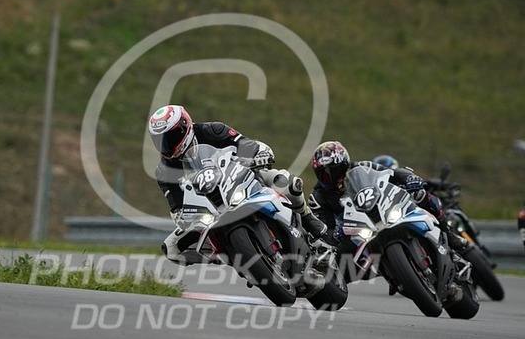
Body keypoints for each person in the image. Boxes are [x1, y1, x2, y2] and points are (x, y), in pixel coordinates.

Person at [148, 104, 328, 264]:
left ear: (184, 127)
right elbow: (177, 206)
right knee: (171, 249)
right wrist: (186, 218)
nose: (166, 144)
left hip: (239, 177)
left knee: (286, 181)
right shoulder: (164, 171)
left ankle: (306, 216)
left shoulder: (212, 130)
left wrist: (257, 156)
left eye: (170, 137)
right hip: (210, 208)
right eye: (160, 140)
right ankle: (228, 256)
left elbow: (245, 144)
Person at [308, 141, 469, 283]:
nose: (329, 178)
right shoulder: (318, 197)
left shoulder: (362, 167)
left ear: (343, 164)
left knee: (422, 195)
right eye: (323, 174)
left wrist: (410, 178)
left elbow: (392, 173)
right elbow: (323, 229)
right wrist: (335, 234)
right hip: (354, 232)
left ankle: (449, 234)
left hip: (383, 210)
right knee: (338, 262)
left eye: (333, 171)